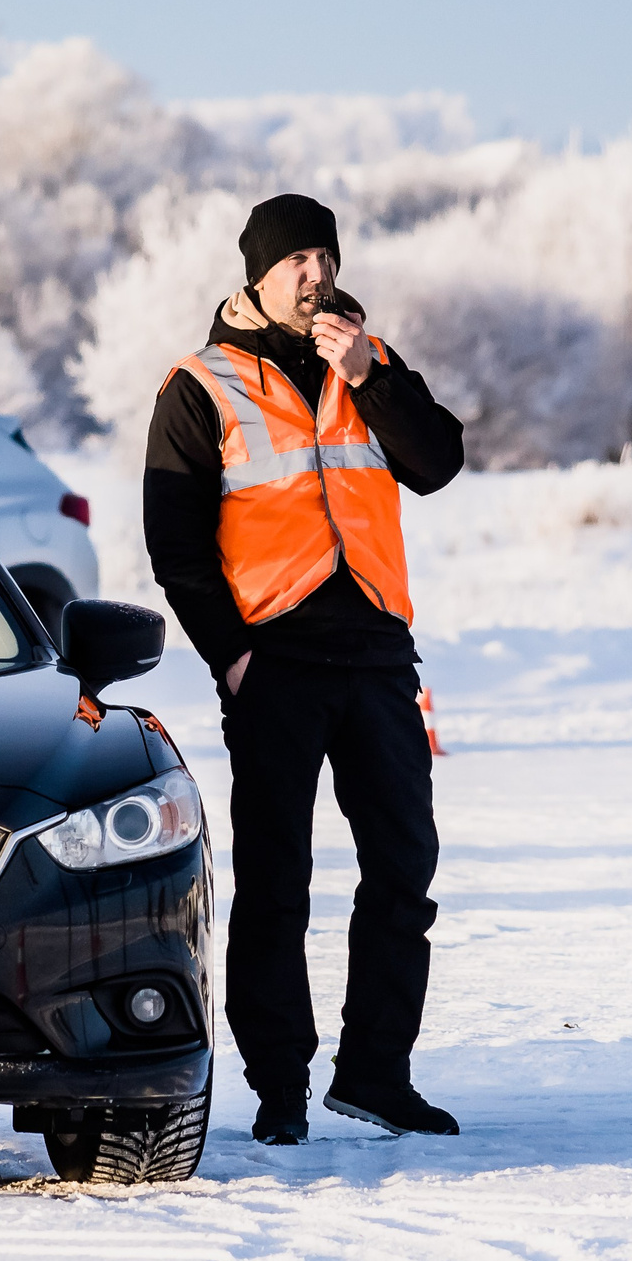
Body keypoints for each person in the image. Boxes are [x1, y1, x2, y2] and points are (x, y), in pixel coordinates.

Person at [142, 193, 465, 1145]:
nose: (316, 275)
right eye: (297, 262)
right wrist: (230, 658)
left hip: (373, 652)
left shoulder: (366, 361)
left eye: (325, 256)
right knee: (278, 882)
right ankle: (280, 1084)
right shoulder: (201, 384)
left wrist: (372, 377)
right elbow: (176, 546)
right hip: (274, 660)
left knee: (405, 867)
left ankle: (376, 1073)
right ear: (258, 273)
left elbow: (438, 461)